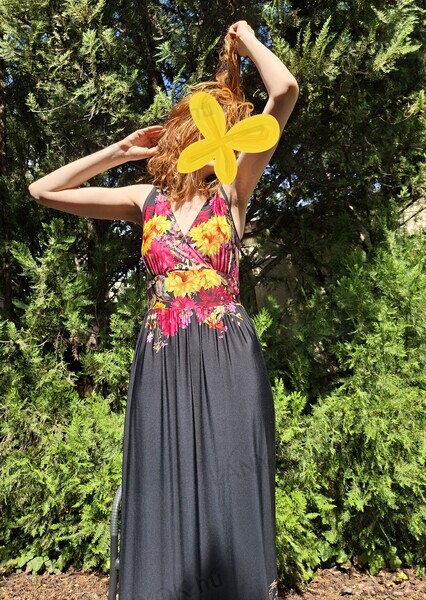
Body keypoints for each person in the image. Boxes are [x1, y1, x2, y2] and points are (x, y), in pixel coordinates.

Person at [29, 20, 298, 600]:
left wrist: (247, 39)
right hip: (163, 358)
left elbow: (284, 91)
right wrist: (119, 151)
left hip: (227, 356)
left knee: (230, 478)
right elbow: (44, 191)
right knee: (162, 480)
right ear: (180, 137)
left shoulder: (233, 189)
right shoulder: (143, 200)